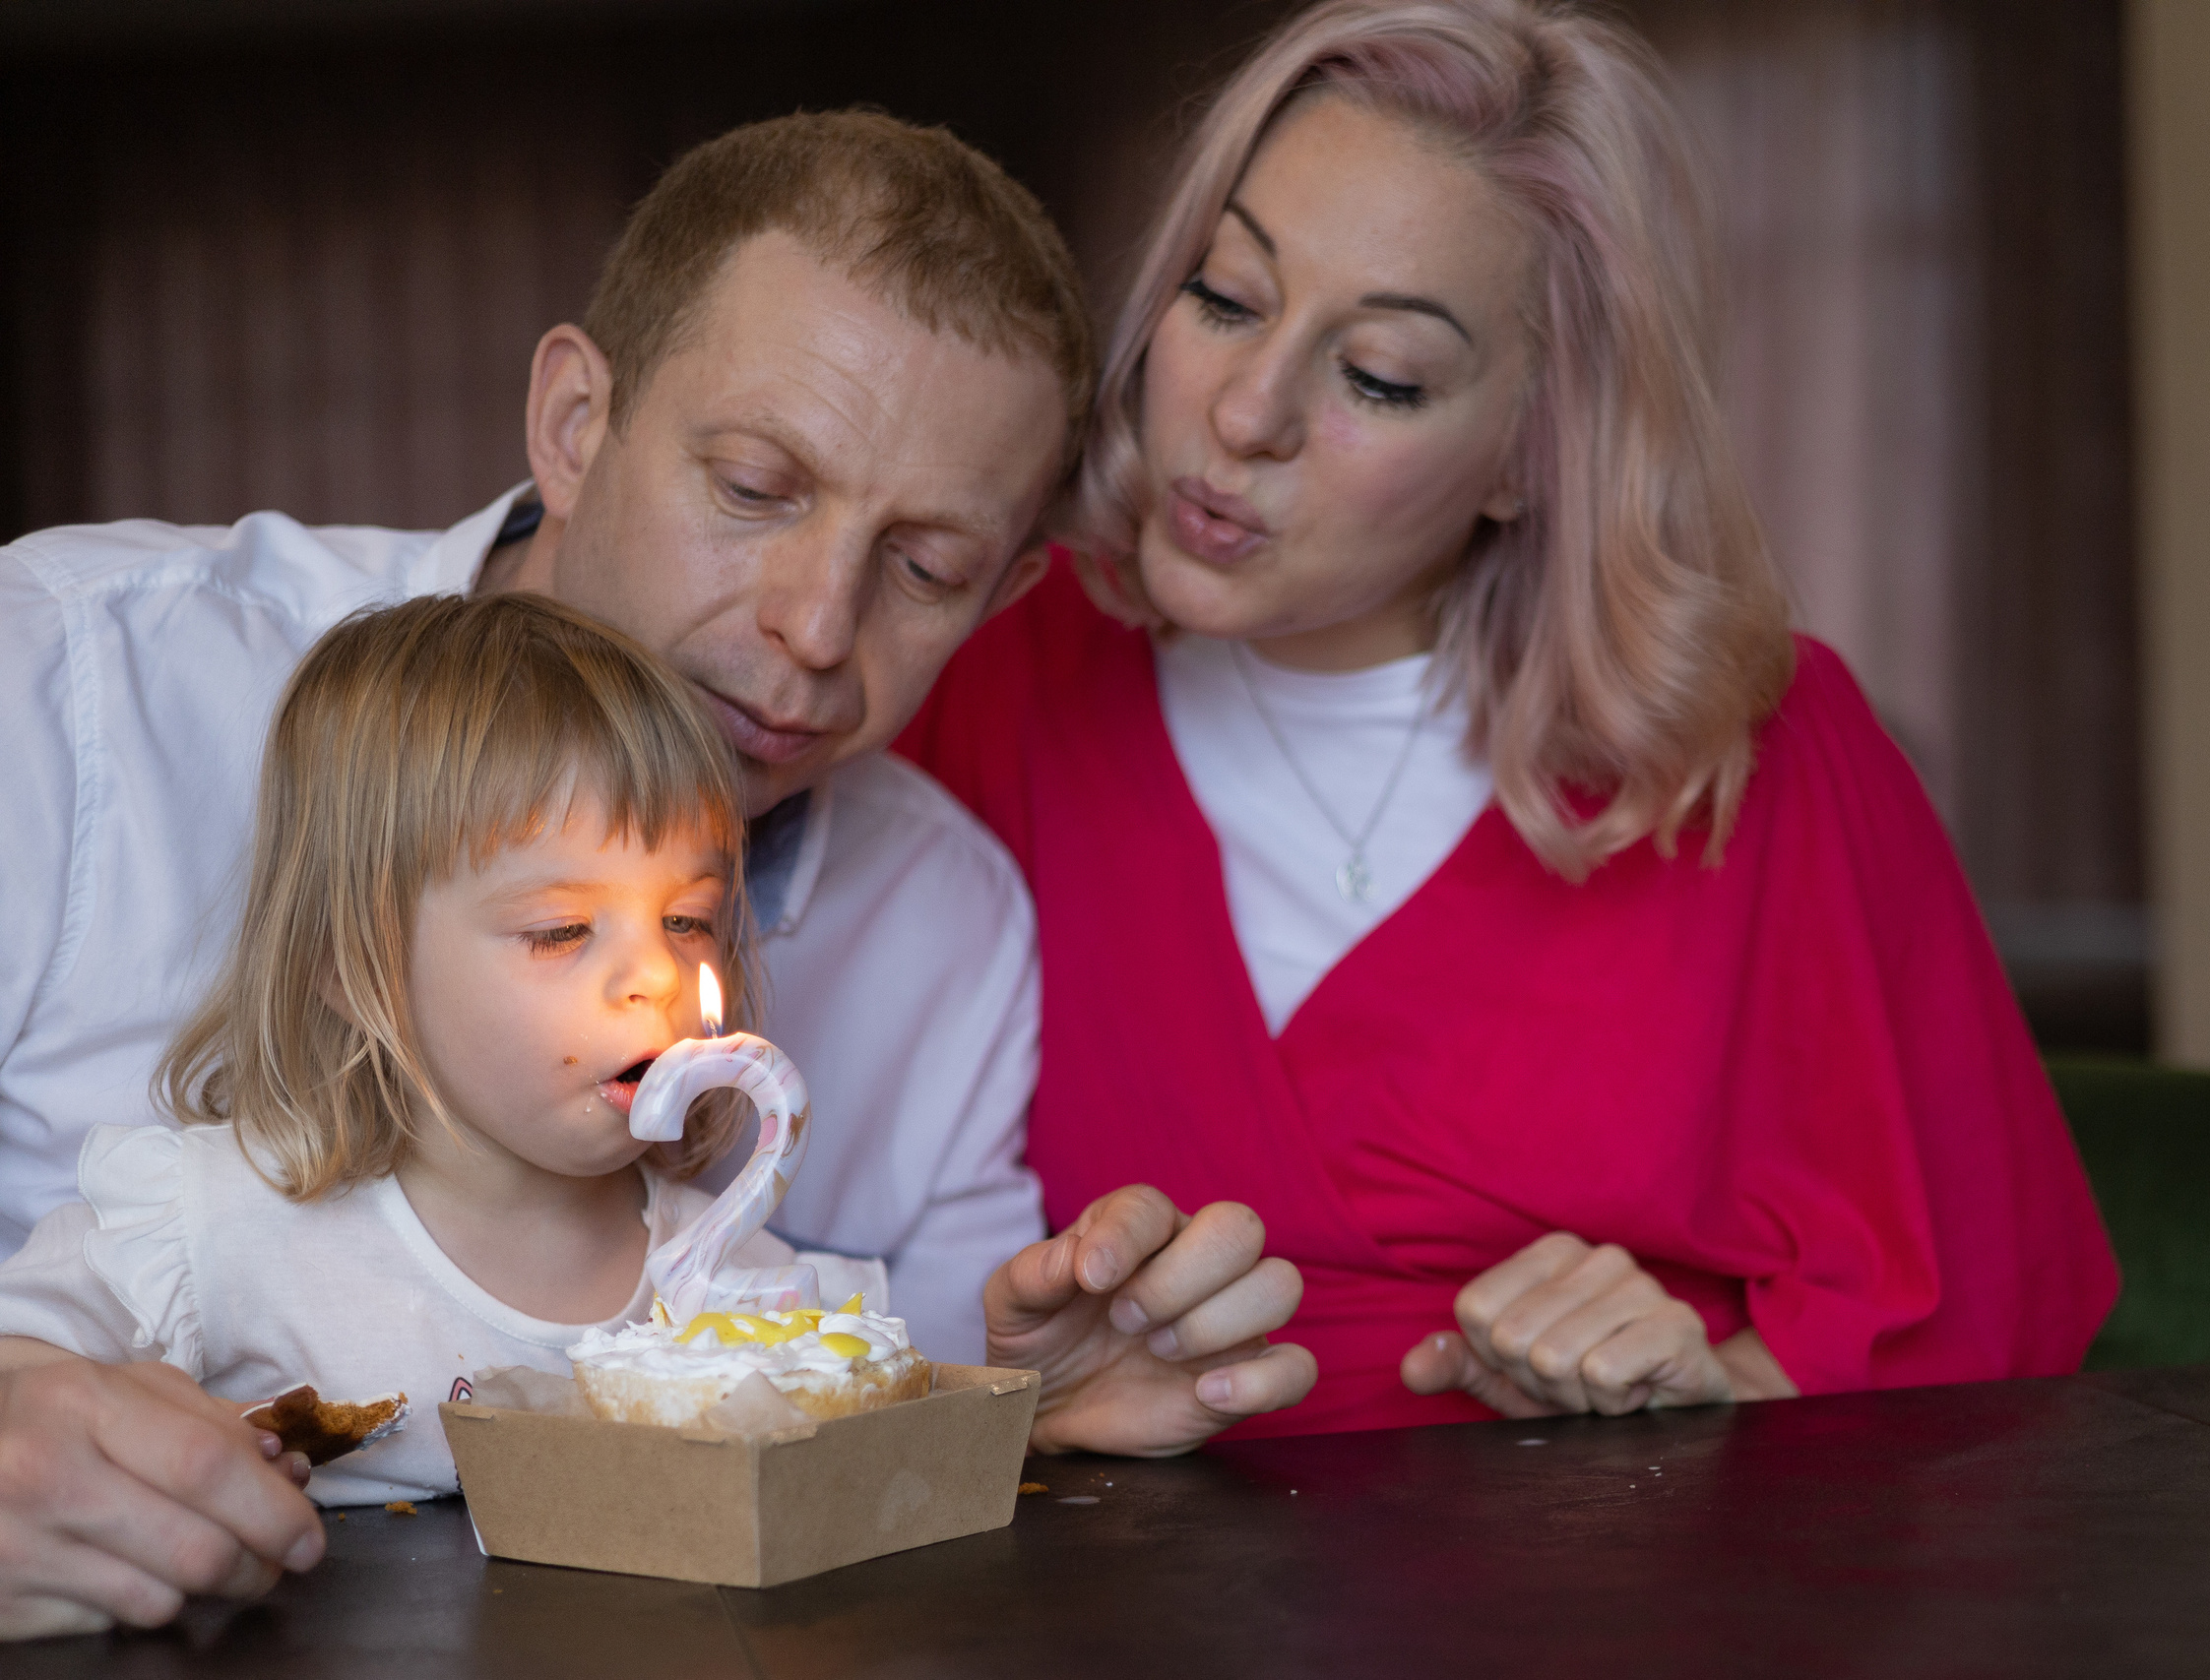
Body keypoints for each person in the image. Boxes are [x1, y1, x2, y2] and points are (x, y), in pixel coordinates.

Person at [0, 112, 1310, 1639]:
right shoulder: (68, 686)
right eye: (755, 486)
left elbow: (899, 1406)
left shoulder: (945, 919)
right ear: (571, 419)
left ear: (1008, 591)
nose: (816, 627)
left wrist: (1035, 1395)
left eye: (927, 568)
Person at [901, 0, 2120, 1438]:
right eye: (1225, 297)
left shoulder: (1769, 755)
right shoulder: (973, 686)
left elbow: (1993, 1345)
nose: (1245, 415)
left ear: (1531, 456)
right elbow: (765, 1263)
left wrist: (1705, 1393)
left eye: (1379, 377)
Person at [0, 592, 886, 1508]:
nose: (657, 975)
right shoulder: (209, 1229)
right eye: (562, 928)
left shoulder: (750, 1291)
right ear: (357, 963)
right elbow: (22, 1389)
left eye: (687, 919)